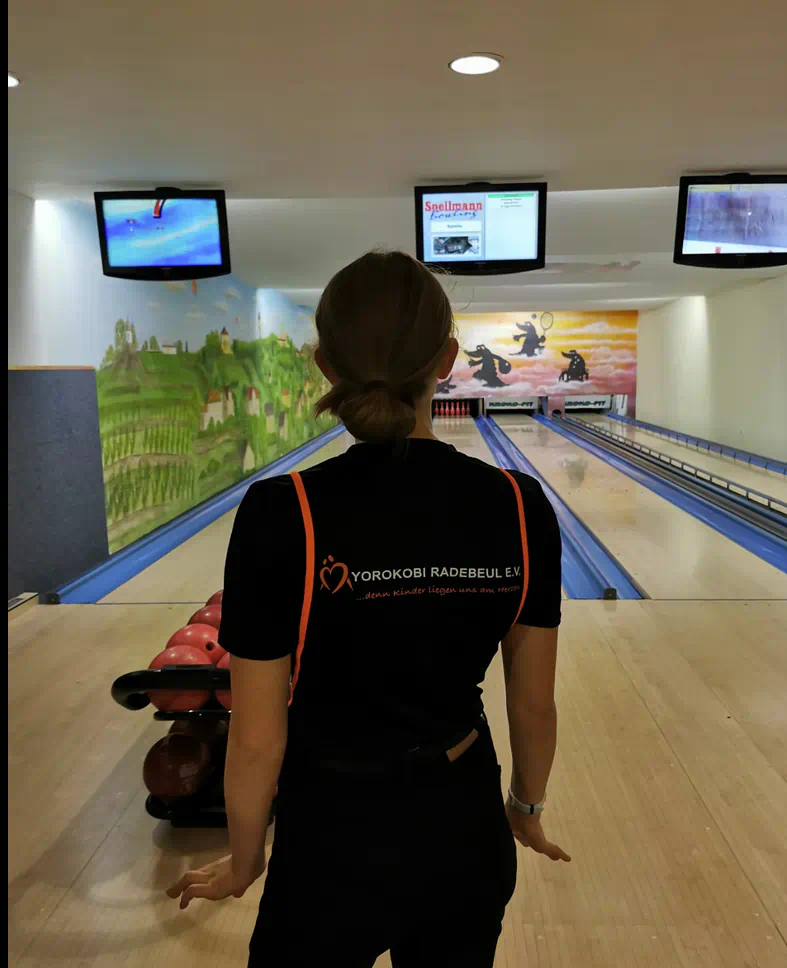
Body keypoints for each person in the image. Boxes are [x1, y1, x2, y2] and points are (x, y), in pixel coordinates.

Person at [168, 251, 570, 966]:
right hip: (463, 822)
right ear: (446, 359)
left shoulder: (280, 511)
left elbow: (256, 739)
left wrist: (245, 857)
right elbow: (533, 705)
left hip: (331, 831)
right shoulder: (519, 504)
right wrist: (525, 807)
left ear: (325, 365)